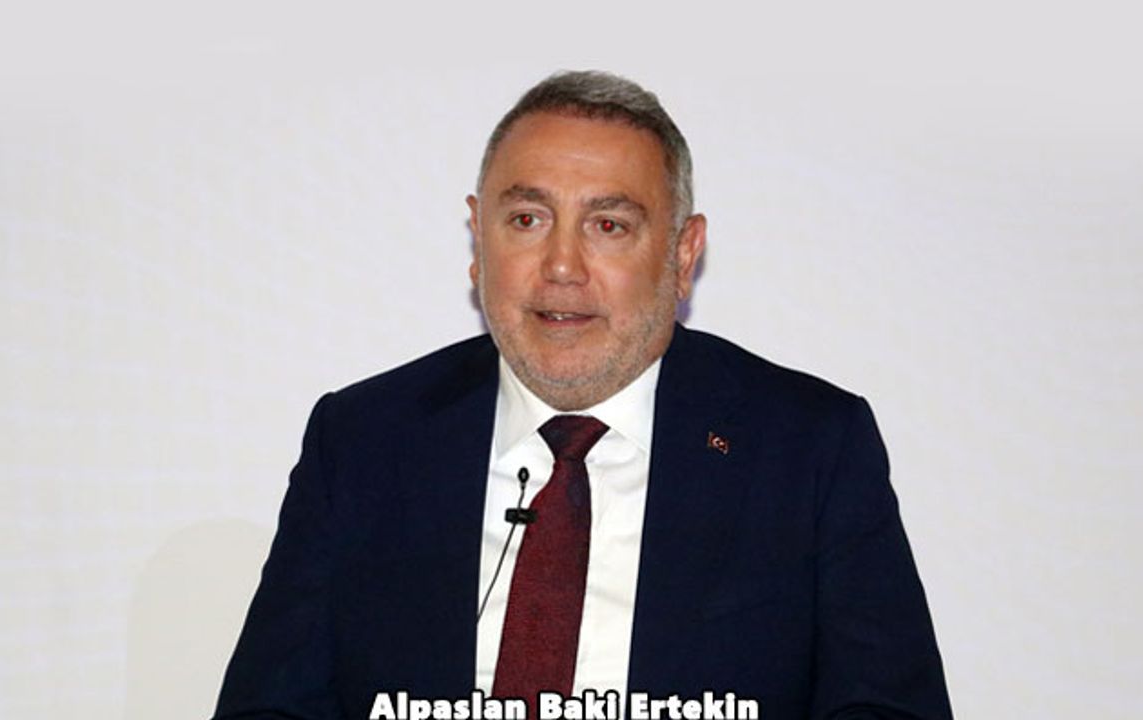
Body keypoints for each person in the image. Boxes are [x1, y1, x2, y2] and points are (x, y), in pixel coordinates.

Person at [213, 70, 952, 720]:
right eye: (527, 220)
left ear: (683, 254)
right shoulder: (363, 441)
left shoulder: (809, 447)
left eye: (608, 225)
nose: (562, 265)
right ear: (478, 241)